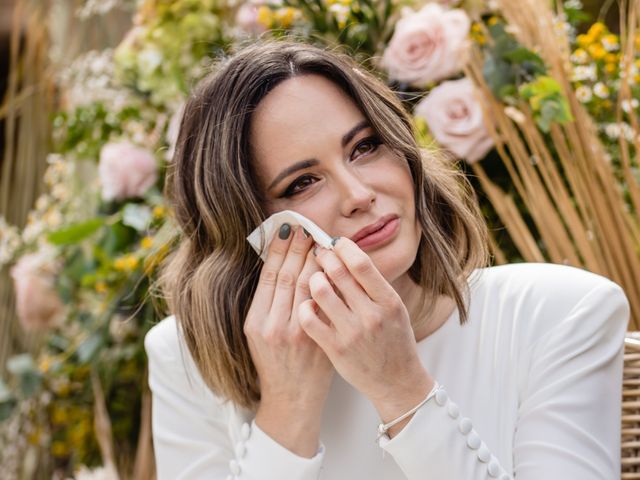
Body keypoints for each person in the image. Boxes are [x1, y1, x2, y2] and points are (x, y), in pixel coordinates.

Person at [144, 39, 630, 480]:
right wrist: (287, 411)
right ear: (246, 229)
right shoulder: (187, 360)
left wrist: (400, 387)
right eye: (302, 182)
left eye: (365, 146)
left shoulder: (562, 313)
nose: (359, 194)